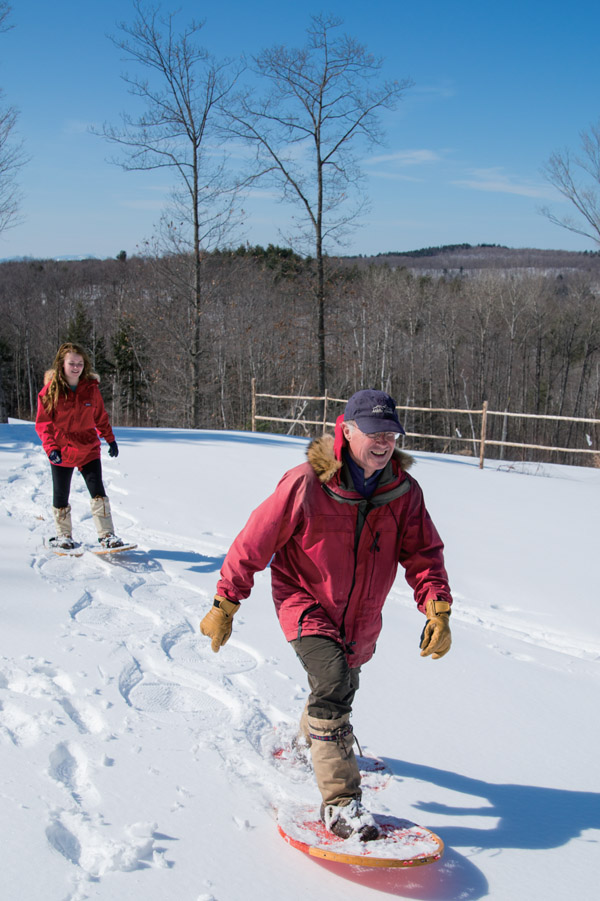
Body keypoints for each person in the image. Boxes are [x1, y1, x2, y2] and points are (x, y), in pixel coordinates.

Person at [200, 389, 453, 842]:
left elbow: (424, 554)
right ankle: (341, 803)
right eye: (374, 432)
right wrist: (226, 603)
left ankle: (311, 740)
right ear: (348, 429)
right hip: (303, 600)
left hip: (360, 614)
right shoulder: (306, 484)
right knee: (333, 681)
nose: (384, 442)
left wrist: (437, 608)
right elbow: (253, 543)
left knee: (343, 683)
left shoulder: (403, 492)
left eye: (391, 433)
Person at [35, 342, 125, 550]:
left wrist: (110, 439)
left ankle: (107, 535)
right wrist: (51, 448)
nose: (76, 367)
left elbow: (100, 416)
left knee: (98, 492)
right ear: (61, 364)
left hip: (88, 448)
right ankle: (63, 535)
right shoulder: (50, 391)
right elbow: (43, 424)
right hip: (62, 449)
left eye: (80, 363)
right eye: (71, 363)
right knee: (61, 494)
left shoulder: (91, 390)